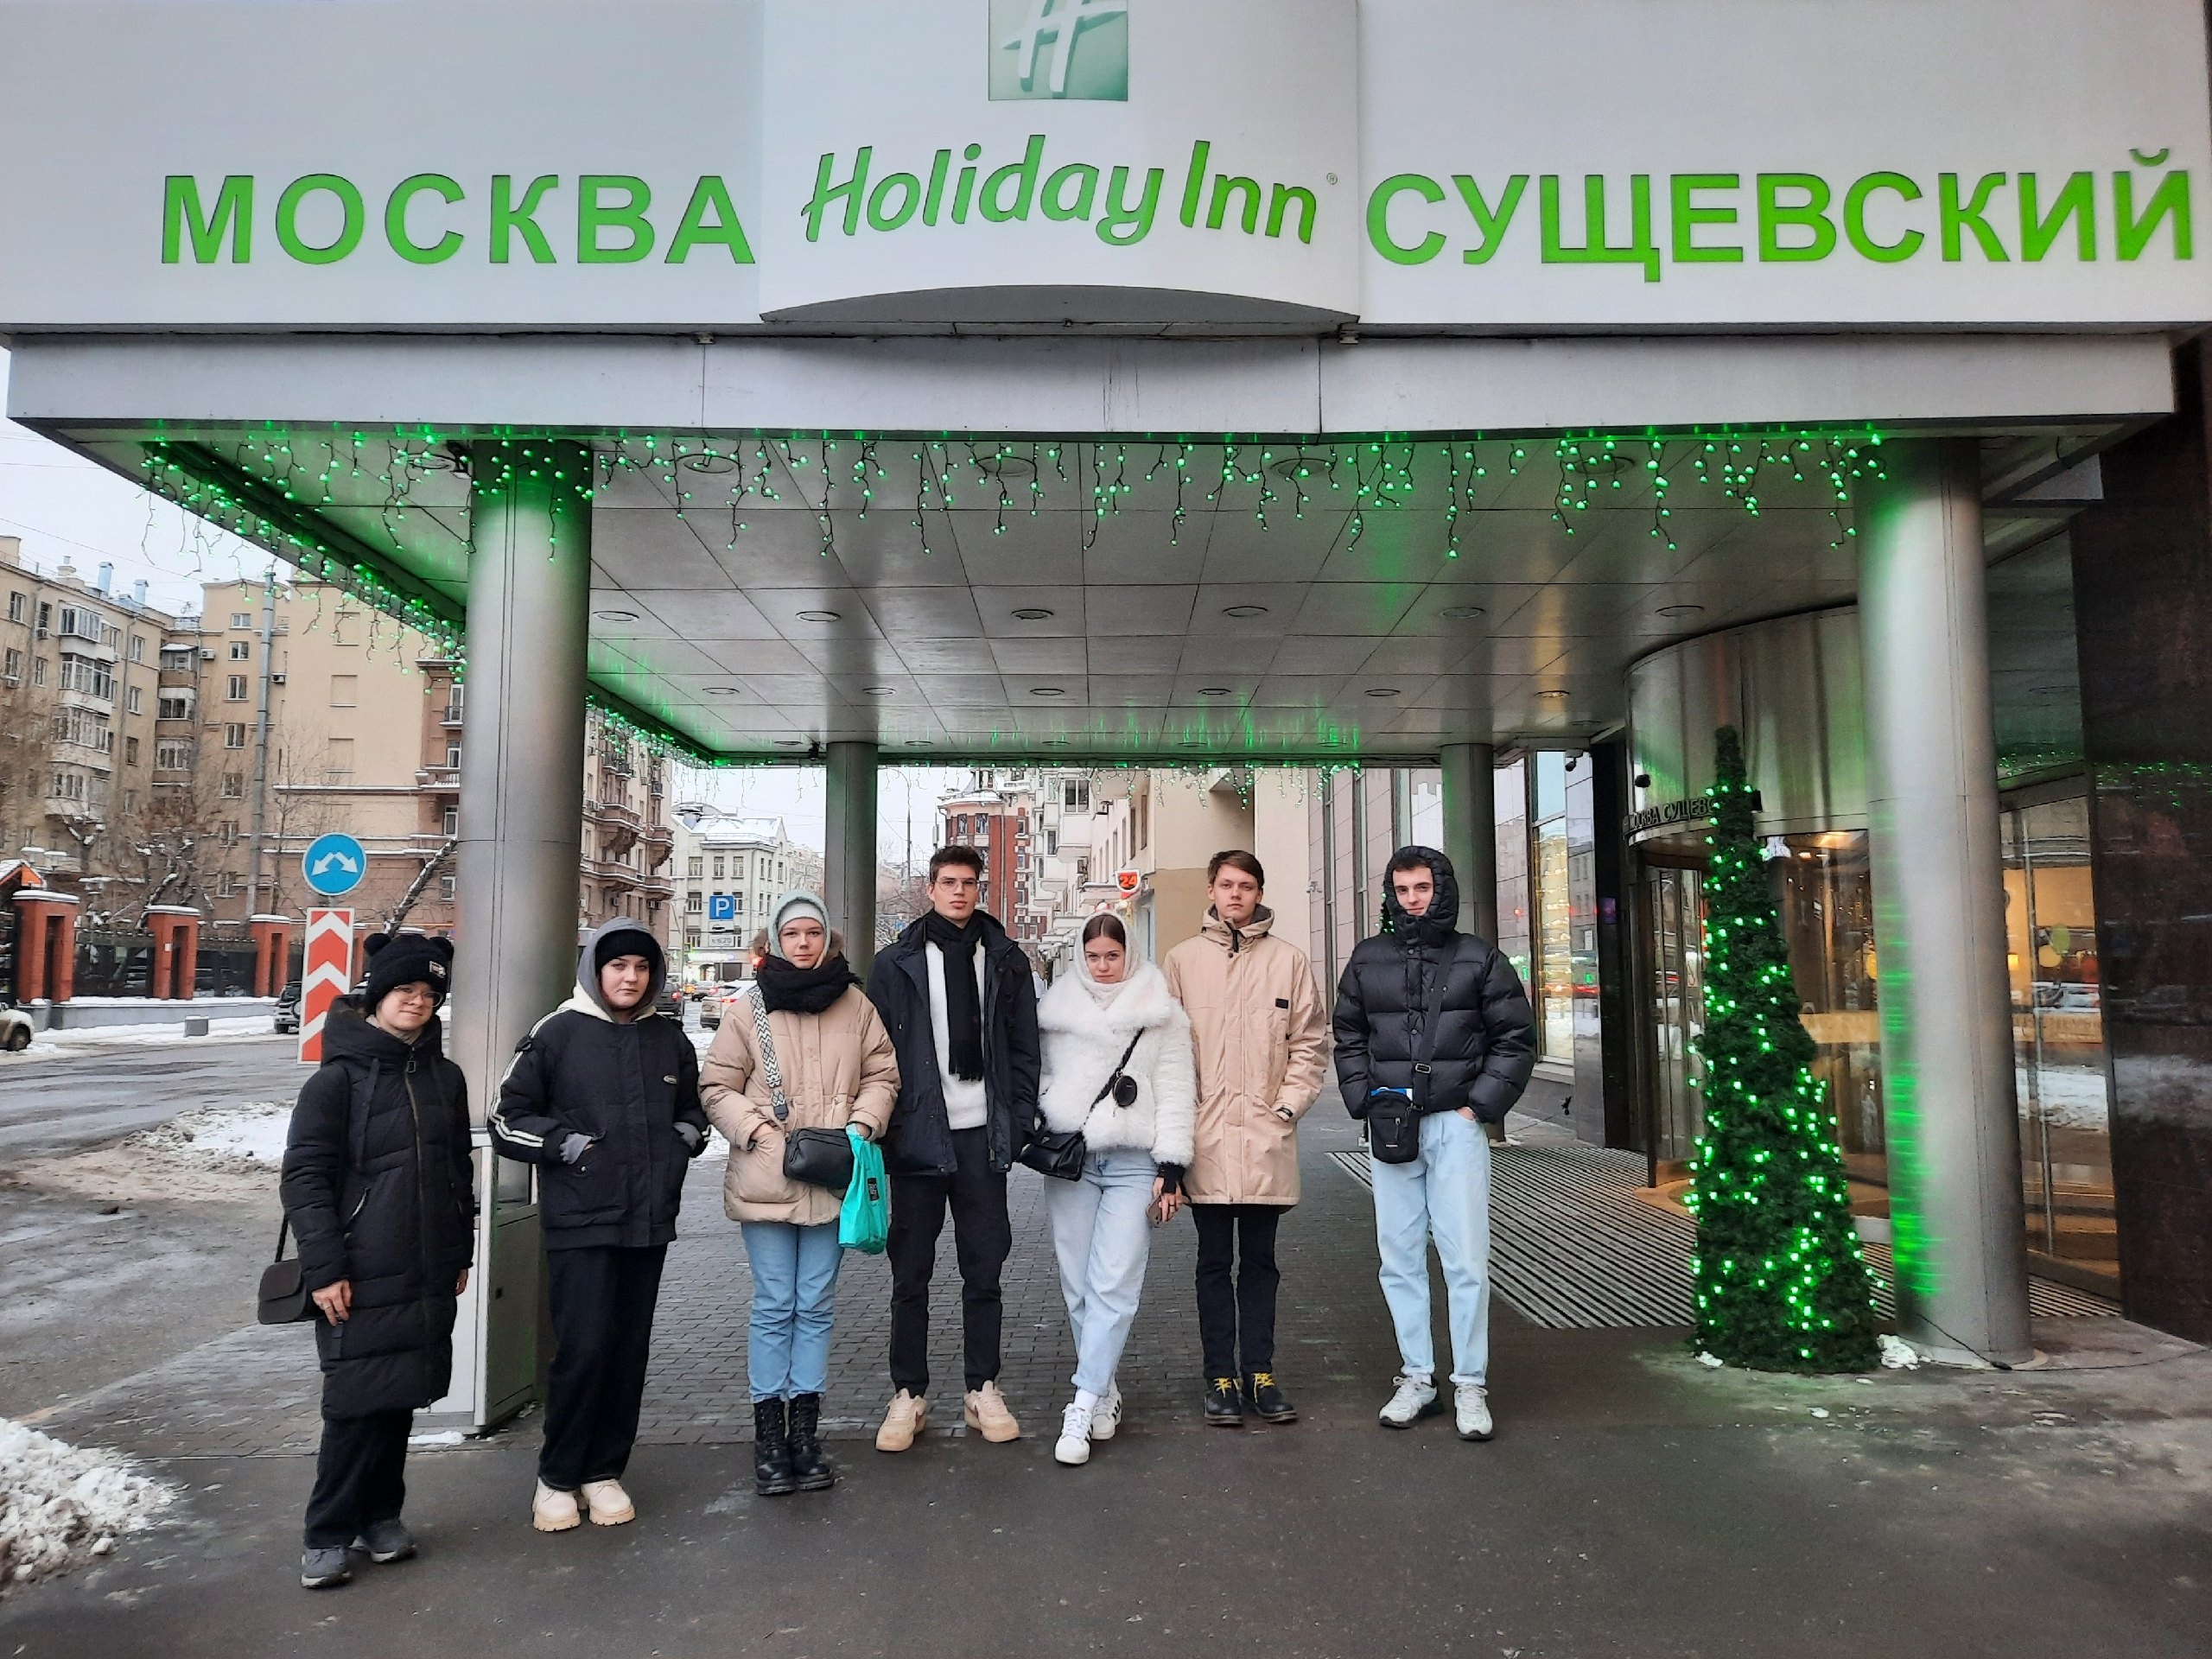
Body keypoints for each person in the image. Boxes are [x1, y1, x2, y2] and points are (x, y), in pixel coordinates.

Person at [490, 918, 710, 1531]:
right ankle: (558, 1477)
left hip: (648, 1222)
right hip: (581, 1220)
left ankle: (605, 1471)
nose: (630, 978)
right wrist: (568, 1146)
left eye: (641, 967)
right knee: (583, 1350)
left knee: (626, 1353)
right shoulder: (557, 1033)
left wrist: (685, 1138)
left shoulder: (667, 1038)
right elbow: (506, 1118)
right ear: (596, 970)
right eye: (618, 966)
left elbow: (692, 1107)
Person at [281, 932, 471, 1590]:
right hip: (358, 1269)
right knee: (353, 1404)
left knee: (399, 1397)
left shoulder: (445, 1078)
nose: (417, 1001)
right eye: (405, 990)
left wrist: (460, 1247)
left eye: (429, 993)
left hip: (424, 1264)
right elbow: (305, 1178)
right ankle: (326, 1532)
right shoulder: (336, 1081)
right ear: (378, 994)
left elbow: (457, 1170)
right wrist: (325, 1268)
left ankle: (380, 1515)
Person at [1332, 845, 1535, 1441]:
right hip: (1392, 1125)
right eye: (1402, 890)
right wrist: (1363, 1097)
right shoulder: (1368, 958)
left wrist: (1479, 1108)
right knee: (1398, 1258)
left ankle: (1470, 1383)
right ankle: (1418, 1377)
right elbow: (1348, 1033)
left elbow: (1515, 1037)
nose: (1412, 900)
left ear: (1440, 889)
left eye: (1421, 888)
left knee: (1465, 1259)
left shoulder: (1479, 957)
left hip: (1454, 1125)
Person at [702, 892, 898, 1497]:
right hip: (767, 1176)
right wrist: (758, 1132)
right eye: (793, 934)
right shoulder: (749, 1007)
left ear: (827, 939)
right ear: (776, 941)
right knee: (774, 1303)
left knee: (814, 1304)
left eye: (814, 932)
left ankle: (805, 1435)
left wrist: (861, 1127)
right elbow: (715, 1085)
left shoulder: (855, 1004)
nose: (804, 943)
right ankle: (769, 1436)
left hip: (833, 1176)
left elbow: (883, 1074)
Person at [864, 845, 1040, 1451]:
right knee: (910, 1273)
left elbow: (1025, 1048)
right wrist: (887, 1127)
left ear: (979, 889)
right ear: (931, 888)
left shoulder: (1006, 959)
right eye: (948, 882)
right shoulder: (896, 963)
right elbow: (877, 1054)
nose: (959, 892)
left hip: (982, 1140)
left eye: (969, 883)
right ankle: (908, 1393)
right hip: (916, 1138)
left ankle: (981, 1387)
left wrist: (1018, 1119)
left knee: (984, 1269)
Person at [1163, 849, 1330, 1427]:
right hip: (1206, 1138)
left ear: (1259, 893)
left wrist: (1286, 1107)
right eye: (1227, 884)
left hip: (1265, 1138)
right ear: (1211, 890)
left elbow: (1310, 1043)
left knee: (1261, 1263)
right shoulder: (1182, 961)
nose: (1236, 894)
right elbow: (1168, 1052)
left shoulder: (1289, 961)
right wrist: (1181, 1124)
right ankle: (1220, 1376)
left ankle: (1260, 1372)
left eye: (1247, 886)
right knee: (1213, 1263)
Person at [1034, 912, 1196, 1466]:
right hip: (1073, 1161)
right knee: (1078, 1285)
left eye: (1113, 955)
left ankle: (1081, 1404)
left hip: (1133, 1162)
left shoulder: (1161, 1012)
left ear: (1130, 954)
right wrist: (1050, 1109)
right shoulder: (1056, 1010)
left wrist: (1171, 1167)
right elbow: (1038, 1076)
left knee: (1115, 1283)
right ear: (1081, 957)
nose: (1104, 966)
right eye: (1094, 956)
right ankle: (1103, 1387)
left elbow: (1176, 1089)